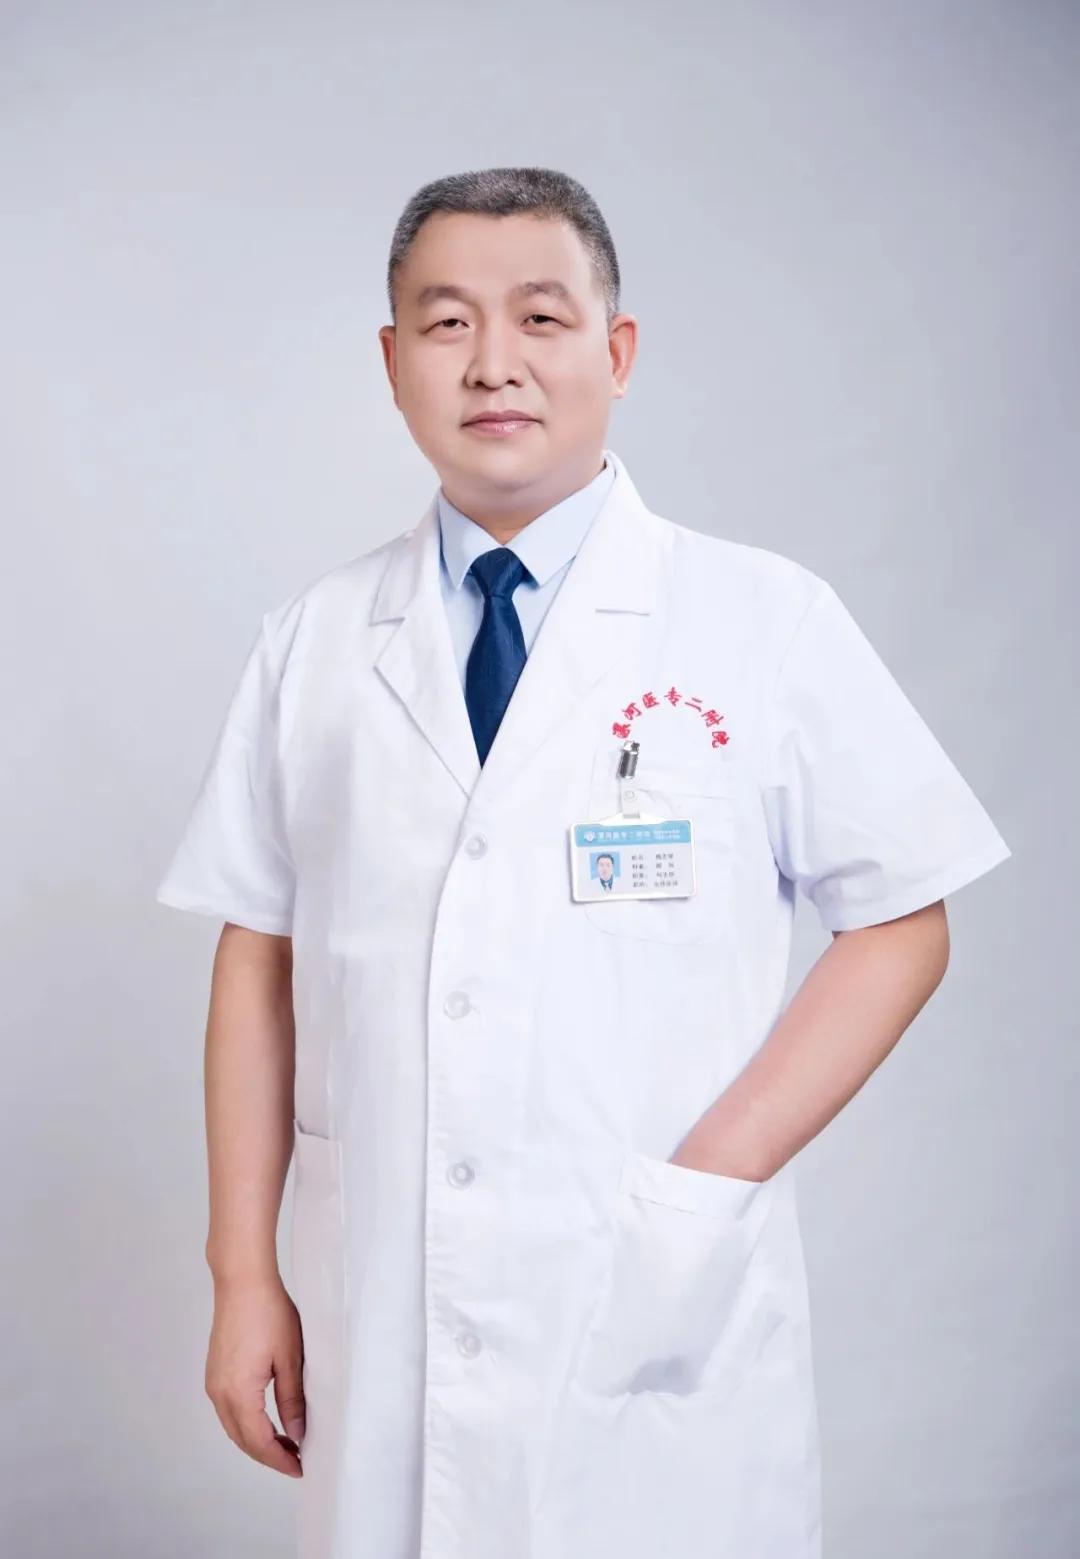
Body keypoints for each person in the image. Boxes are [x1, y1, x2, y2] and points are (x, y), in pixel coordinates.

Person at [155, 165, 1012, 1559]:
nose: (494, 362)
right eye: (447, 323)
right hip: (389, 1299)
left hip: (656, 1305)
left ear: (616, 352)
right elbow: (257, 956)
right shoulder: (314, 642)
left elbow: (904, 921)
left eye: (541, 318)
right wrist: (241, 1271)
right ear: (391, 362)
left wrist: (708, 1180)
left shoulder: (761, 619)